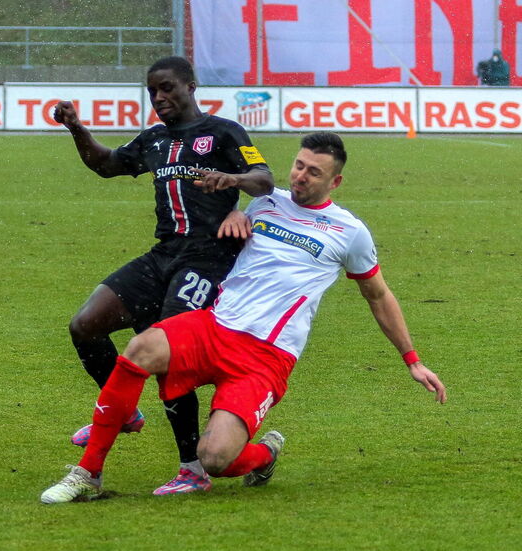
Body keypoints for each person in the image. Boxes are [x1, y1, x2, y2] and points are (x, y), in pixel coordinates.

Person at [40, 132, 448, 504]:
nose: (301, 176)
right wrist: (235, 215)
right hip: (214, 328)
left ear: (335, 182)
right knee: (140, 348)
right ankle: (86, 475)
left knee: (216, 458)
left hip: (266, 358)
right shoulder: (267, 202)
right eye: (299, 165)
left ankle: (264, 453)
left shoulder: (349, 232)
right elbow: (228, 224)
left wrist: (412, 360)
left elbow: (378, 295)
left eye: (314, 172)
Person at [50, 56, 275, 495]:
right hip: (164, 255)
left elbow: (264, 179)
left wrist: (231, 180)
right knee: (85, 326)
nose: (160, 97)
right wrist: (76, 127)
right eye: (153, 91)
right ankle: (125, 410)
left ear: (191, 86)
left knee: (170, 356)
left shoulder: (224, 132)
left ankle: (193, 467)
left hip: (207, 260)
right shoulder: (154, 139)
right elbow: (105, 163)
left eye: (168, 88)